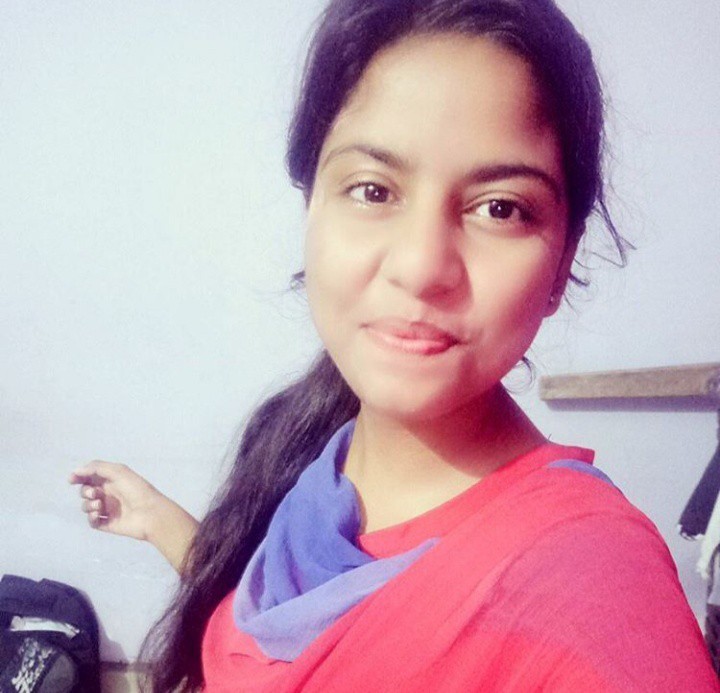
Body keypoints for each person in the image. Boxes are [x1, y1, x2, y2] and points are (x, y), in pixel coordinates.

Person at [69, 0, 718, 690]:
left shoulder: (590, 592)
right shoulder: (313, 450)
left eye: (500, 207)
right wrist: (156, 519)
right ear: (311, 208)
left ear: (562, 263)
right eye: (373, 190)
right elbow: (269, 632)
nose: (420, 266)